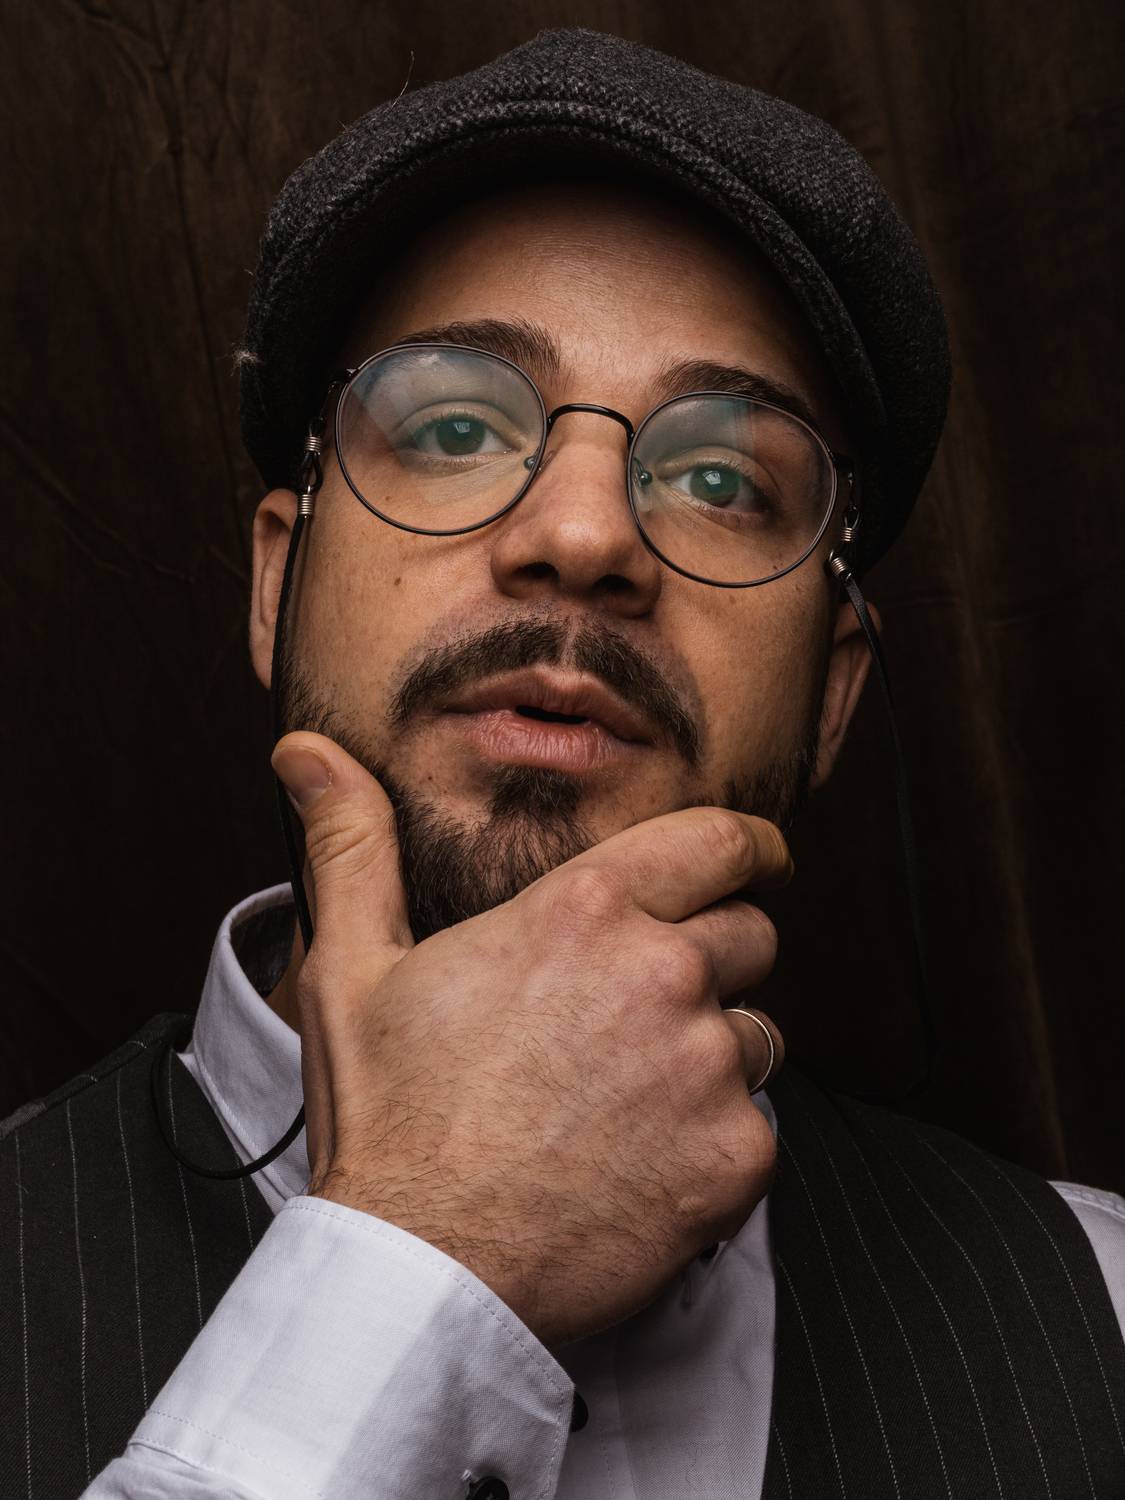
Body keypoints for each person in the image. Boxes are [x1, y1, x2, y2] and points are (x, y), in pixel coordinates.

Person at [2, 27, 1123, 1500]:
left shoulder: (1099, 1318)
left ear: (834, 694)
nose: (585, 536)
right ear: (277, 583)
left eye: (720, 478)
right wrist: (427, 1243)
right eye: (454, 425)